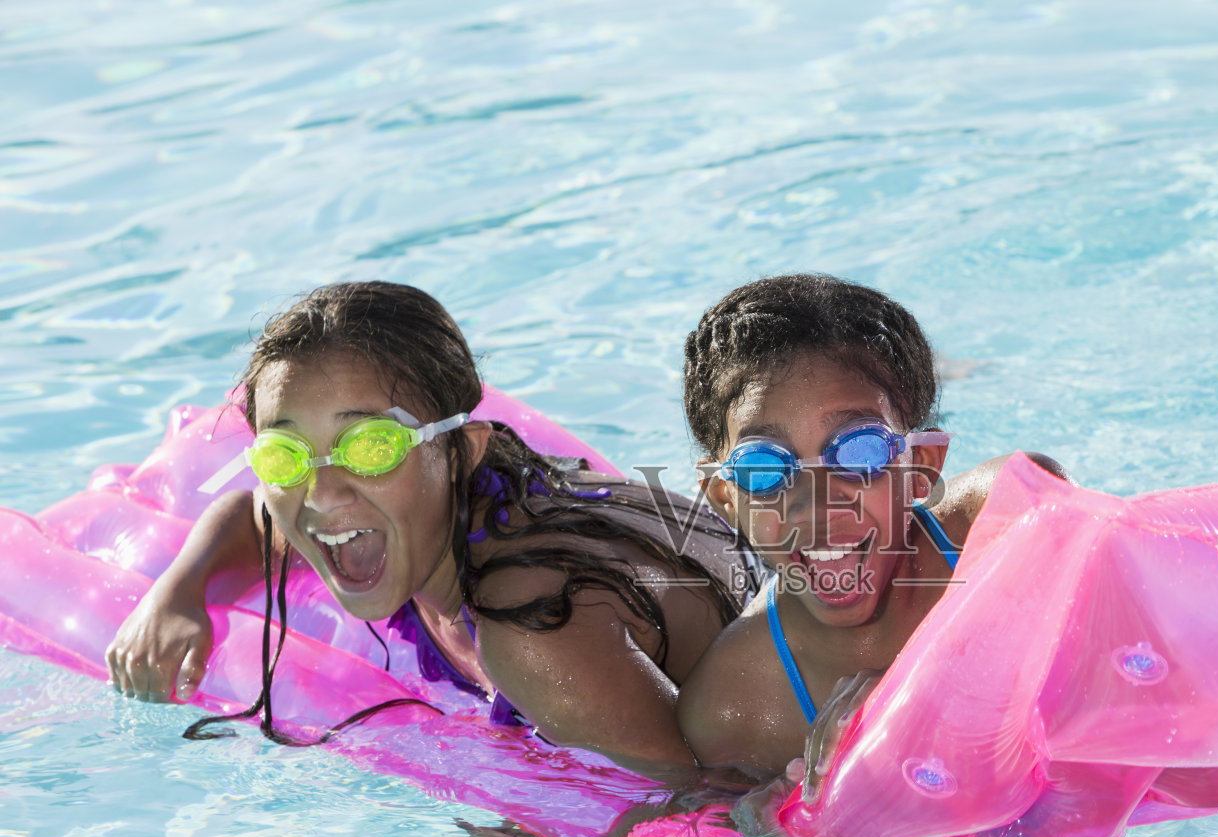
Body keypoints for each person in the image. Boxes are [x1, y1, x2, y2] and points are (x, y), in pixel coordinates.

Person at [106, 281, 760, 783]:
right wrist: (178, 593)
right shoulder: (437, 513)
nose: (321, 491)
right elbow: (255, 515)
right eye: (286, 455)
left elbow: (708, 795)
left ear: (461, 451)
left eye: (369, 447)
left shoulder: (535, 629)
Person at [675, 274, 1069, 800]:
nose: (816, 504)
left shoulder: (1002, 520)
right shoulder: (733, 709)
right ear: (725, 497)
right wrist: (778, 818)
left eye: (859, 451)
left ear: (921, 467)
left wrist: (926, 699)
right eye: (764, 467)